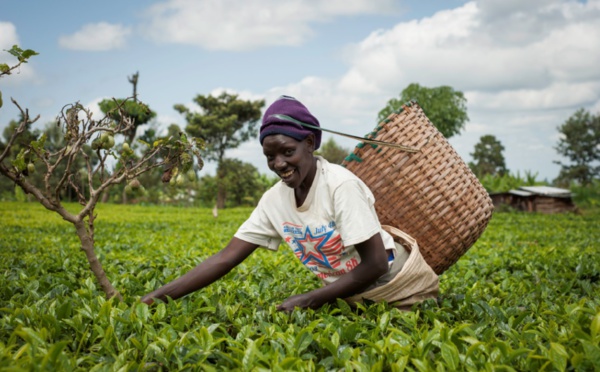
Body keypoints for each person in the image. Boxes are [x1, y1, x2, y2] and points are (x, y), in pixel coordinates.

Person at [141, 95, 438, 311]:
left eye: (287, 151)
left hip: (398, 286)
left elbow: (374, 263)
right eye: (270, 156)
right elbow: (225, 258)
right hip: (348, 296)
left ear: (309, 143)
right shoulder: (274, 200)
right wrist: (155, 298)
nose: (279, 163)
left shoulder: (339, 184)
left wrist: (309, 299)